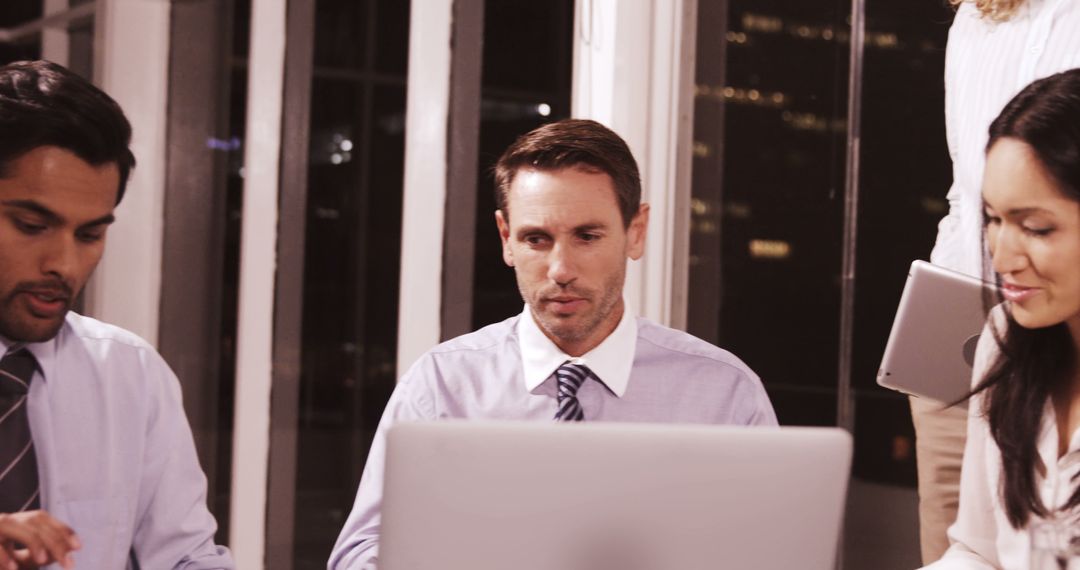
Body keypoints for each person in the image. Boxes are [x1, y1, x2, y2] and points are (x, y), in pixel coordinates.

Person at [327, 118, 777, 569]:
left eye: (587, 236)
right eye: (537, 239)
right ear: (507, 239)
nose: (561, 269)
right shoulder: (443, 385)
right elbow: (358, 554)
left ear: (635, 232)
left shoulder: (724, 394)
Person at [0, 60, 233, 569]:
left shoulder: (130, 374)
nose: (64, 265)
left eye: (89, 235)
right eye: (32, 224)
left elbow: (185, 558)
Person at [914, 0, 1080, 562]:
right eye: (996, 221)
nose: (1005, 252)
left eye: (1033, 225)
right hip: (978, 314)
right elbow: (976, 551)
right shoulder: (976, 20)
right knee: (962, 517)